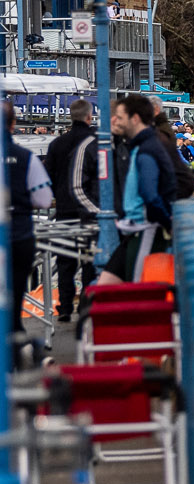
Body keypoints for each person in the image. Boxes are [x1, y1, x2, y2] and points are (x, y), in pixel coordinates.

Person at [103, 94, 176, 282]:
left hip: (145, 227)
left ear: (134, 119)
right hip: (137, 227)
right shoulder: (143, 145)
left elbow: (150, 194)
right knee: (108, 284)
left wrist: (167, 223)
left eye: (120, 118)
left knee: (137, 286)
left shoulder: (146, 149)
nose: (116, 121)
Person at [44, 99, 99, 322]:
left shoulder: (57, 144)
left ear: (70, 116)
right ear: (89, 116)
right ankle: (86, 307)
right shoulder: (95, 143)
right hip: (90, 212)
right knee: (89, 261)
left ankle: (64, 307)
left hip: (65, 211)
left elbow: (48, 175)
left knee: (65, 261)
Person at [6, 103, 55, 343]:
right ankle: (15, 341)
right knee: (15, 296)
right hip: (19, 236)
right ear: (13, 125)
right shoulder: (26, 158)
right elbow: (44, 199)